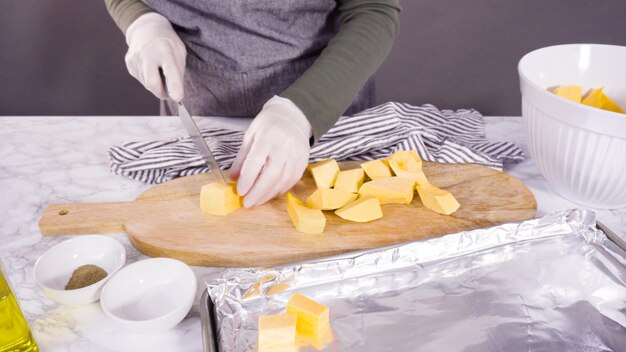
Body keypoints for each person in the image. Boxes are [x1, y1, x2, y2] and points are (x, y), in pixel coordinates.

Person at [104, 0, 401, 207]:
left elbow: (373, 10)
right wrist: (142, 22)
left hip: (325, 115)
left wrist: (300, 112)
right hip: (199, 112)